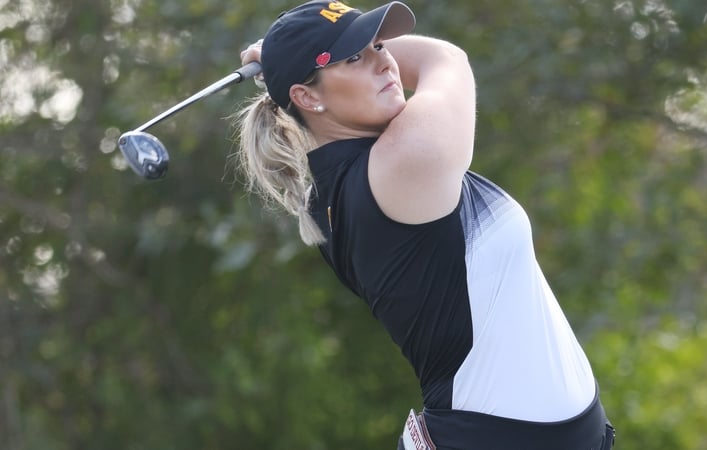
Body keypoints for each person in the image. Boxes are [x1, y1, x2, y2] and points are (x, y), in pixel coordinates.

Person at [235, 1, 615, 448]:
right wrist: (278, 58)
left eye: (379, 44)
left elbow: (410, 67)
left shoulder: (344, 181)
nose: (385, 61)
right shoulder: (401, 160)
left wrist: (289, 60)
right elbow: (445, 59)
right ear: (306, 97)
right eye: (355, 57)